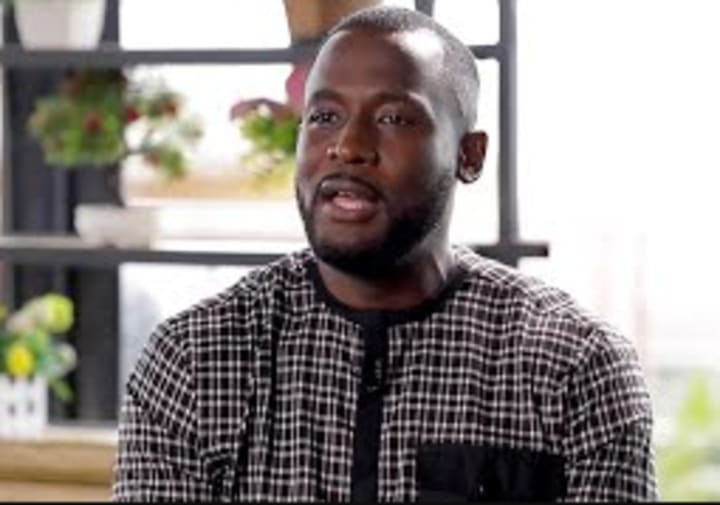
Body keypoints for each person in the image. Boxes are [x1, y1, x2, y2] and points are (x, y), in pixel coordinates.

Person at [113, 6, 657, 502]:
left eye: (393, 118)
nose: (348, 147)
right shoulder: (195, 359)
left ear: (469, 156)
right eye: (324, 117)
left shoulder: (575, 365)